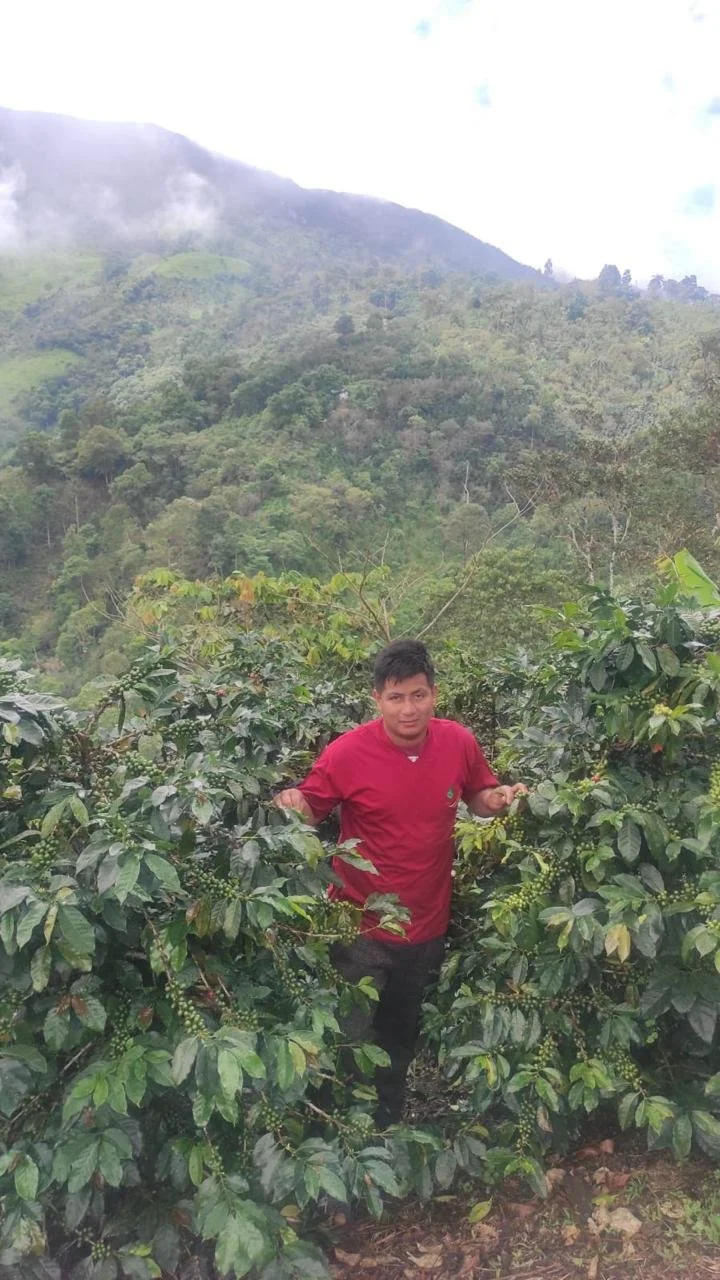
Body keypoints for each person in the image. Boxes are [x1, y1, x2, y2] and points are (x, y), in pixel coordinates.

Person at [274, 638, 527, 1126]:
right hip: (358, 926)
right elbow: (311, 808)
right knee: (349, 1035)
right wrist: (291, 804)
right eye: (396, 698)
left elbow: (478, 794)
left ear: (434, 694)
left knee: (398, 1034)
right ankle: (339, 1129)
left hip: (426, 923)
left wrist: (498, 799)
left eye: (418, 695)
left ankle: (386, 1124)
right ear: (377, 701)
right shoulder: (347, 753)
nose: (408, 709)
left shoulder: (458, 742)